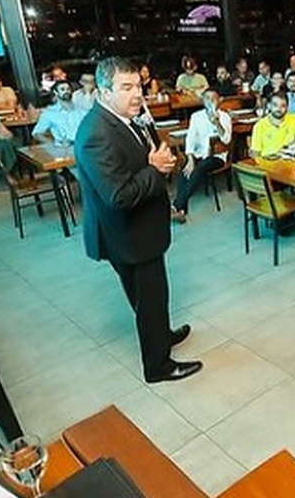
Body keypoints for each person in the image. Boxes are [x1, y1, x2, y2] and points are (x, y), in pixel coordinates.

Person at [74, 57, 200, 384]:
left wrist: (160, 159)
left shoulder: (126, 117)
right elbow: (118, 197)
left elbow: (144, 153)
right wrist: (154, 169)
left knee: (149, 298)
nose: (136, 95)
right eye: (126, 87)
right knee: (150, 297)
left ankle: (160, 334)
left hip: (139, 229)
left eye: (139, 86)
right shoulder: (96, 133)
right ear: (103, 92)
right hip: (126, 234)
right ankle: (158, 366)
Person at [169, 89, 232, 223]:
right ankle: (181, 211)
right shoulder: (196, 117)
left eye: (213, 98)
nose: (210, 101)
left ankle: (176, 205)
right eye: (207, 98)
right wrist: (190, 160)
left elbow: (226, 140)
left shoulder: (225, 117)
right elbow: (190, 139)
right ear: (203, 101)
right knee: (184, 171)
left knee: (201, 167)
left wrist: (217, 123)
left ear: (219, 100)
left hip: (217, 156)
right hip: (198, 154)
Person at [249, 93, 295, 158]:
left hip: (290, 161)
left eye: (283, 106)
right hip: (269, 163)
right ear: (269, 106)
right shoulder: (259, 126)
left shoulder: (293, 119)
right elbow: (255, 153)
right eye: (275, 105)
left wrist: (290, 147)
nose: (279, 109)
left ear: (287, 107)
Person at [32, 80, 86, 146]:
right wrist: (53, 144)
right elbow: (36, 133)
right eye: (62, 89)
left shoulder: (82, 110)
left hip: (84, 146)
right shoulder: (49, 113)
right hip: (64, 149)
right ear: (56, 92)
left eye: (68, 89)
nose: (66, 91)